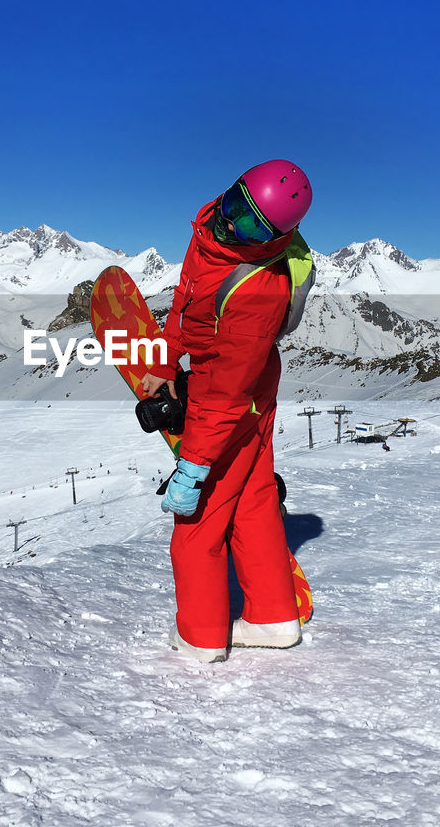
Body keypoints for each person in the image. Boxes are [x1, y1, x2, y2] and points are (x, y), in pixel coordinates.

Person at [140, 159, 315, 663]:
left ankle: (200, 636)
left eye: (251, 224)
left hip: (234, 390)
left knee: (198, 520)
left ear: (275, 236)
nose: (232, 223)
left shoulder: (257, 288)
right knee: (253, 499)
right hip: (248, 379)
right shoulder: (211, 230)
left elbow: (226, 398)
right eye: (236, 205)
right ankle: (273, 618)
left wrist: (193, 467)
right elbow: (187, 301)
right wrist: (168, 358)